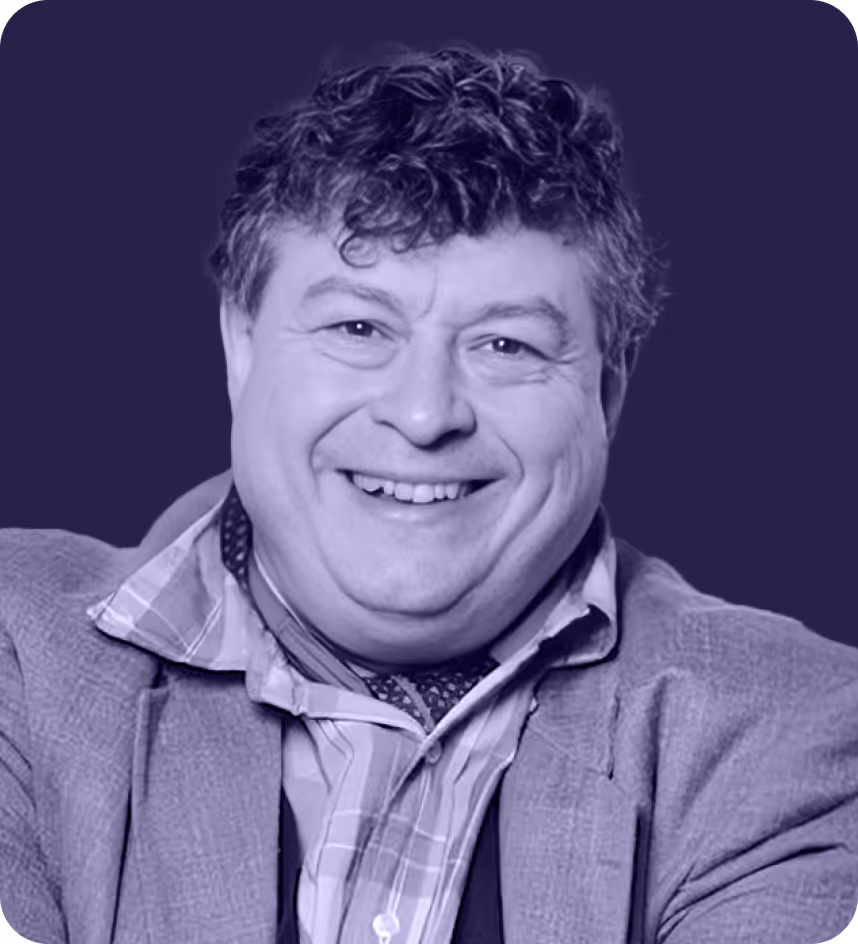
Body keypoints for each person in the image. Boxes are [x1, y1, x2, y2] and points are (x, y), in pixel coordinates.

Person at [1, 45, 856, 944]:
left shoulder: (796, 734)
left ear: (606, 393)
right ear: (240, 347)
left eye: (506, 346)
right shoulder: (19, 662)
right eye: (359, 326)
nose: (422, 414)